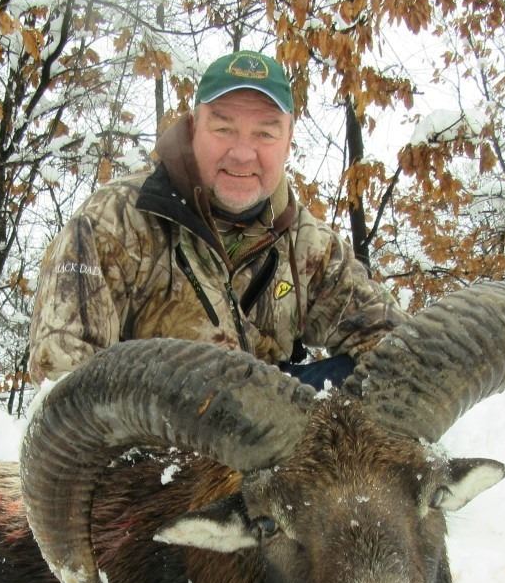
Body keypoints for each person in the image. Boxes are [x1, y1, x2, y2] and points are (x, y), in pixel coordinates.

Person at [26, 50, 406, 387]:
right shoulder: (113, 222)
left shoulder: (311, 246)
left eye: (265, 133)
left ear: (288, 139)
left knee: (371, 379)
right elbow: (64, 376)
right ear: (194, 128)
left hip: (273, 431)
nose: (242, 154)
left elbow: (399, 351)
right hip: (156, 434)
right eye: (224, 129)